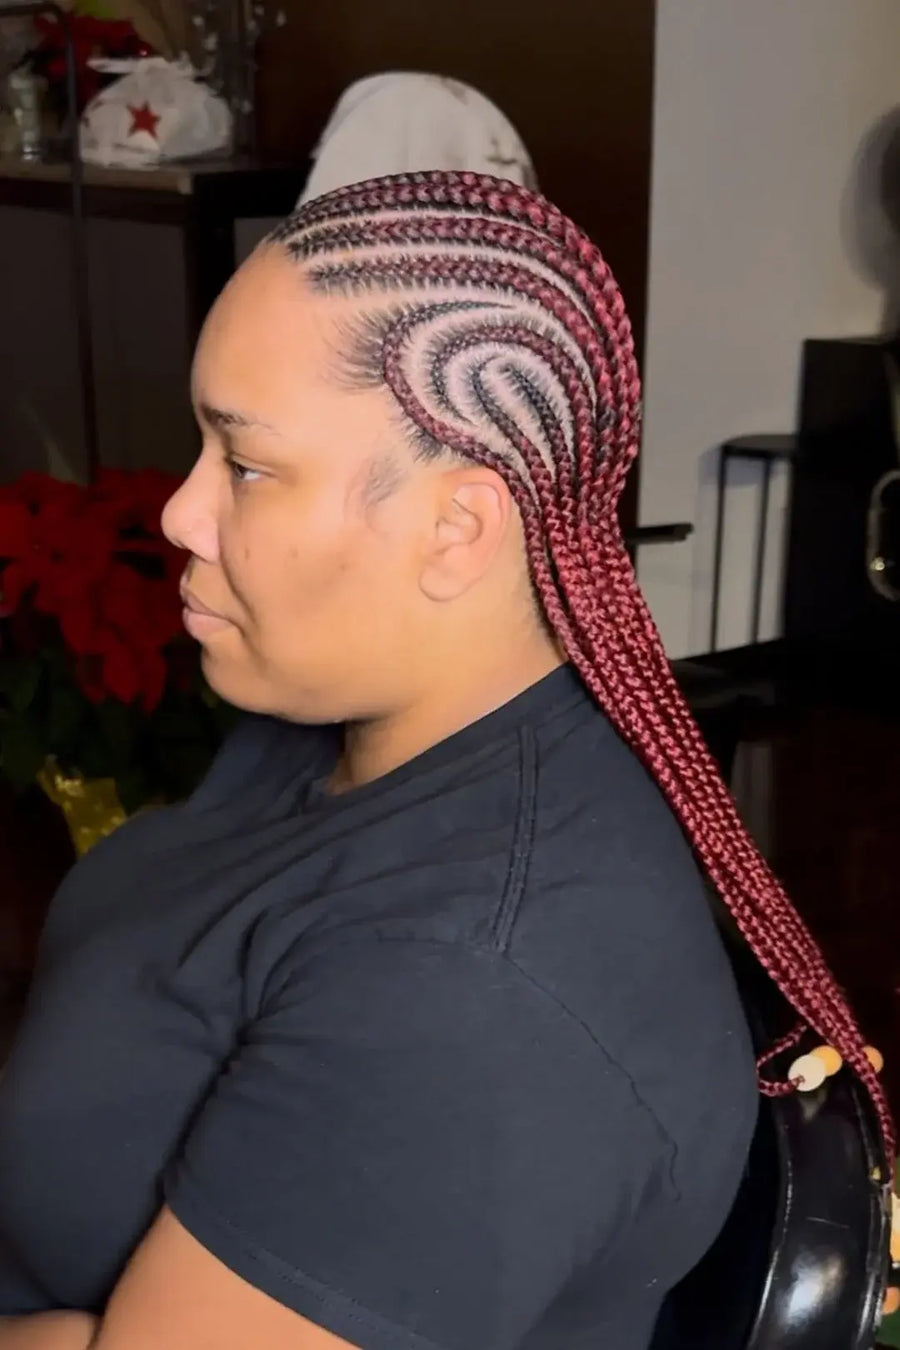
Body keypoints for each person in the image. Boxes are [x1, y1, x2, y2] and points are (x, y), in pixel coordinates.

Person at [0, 171, 891, 1350]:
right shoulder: (354, 720)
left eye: (246, 464)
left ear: (457, 530)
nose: (178, 512)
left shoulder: (474, 984)